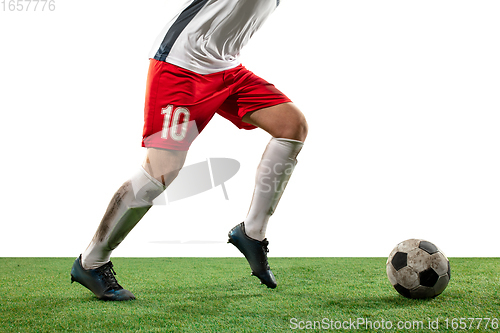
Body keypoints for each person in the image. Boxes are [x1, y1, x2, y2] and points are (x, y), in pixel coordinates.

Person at [70, 0, 308, 301]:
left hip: (227, 67)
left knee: (291, 125)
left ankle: (252, 233)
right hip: (182, 65)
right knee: (162, 170)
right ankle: (91, 261)